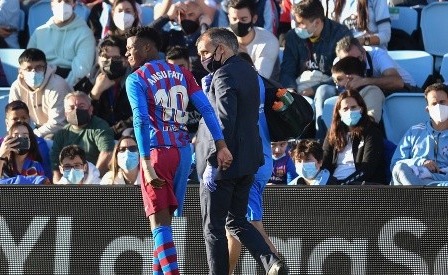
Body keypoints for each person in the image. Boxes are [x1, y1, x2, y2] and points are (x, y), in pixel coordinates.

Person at [124, 26, 231, 274]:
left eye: (131, 48)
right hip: (183, 153)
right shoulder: (182, 72)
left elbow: (140, 119)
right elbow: (206, 109)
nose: (127, 52)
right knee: (165, 225)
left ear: (147, 47)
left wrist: (146, 163)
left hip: (157, 153)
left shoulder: (136, 78)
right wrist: (221, 143)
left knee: (159, 226)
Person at [195, 27, 287, 275]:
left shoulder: (223, 76)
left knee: (213, 228)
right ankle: (272, 262)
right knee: (238, 222)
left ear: (221, 49)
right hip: (249, 161)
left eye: (205, 52)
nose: (202, 58)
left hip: (224, 164)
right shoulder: (249, 71)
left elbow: (225, 120)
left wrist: (214, 160)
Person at [278, 0, 351, 139]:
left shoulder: (341, 34)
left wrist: (315, 88)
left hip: (331, 86)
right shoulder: (292, 36)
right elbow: (287, 70)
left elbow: (345, 73)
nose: (297, 26)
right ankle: (295, 149)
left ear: (317, 22)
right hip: (301, 87)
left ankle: (321, 141)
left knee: (322, 92)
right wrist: (291, 90)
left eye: (301, 23)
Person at [322, 90, 385, 184]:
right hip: (334, 183)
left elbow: (367, 168)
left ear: (361, 109)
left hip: (360, 184)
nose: (350, 111)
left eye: (353, 107)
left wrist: (344, 184)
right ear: (339, 112)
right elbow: (324, 161)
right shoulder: (333, 132)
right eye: (345, 109)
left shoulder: (372, 132)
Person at [27, 0, 96, 86]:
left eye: (67, 1)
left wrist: (60, 88)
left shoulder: (85, 34)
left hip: (69, 86)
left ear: (74, 5)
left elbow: (81, 71)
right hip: (40, 81)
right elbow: (27, 63)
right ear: (52, 5)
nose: (63, 5)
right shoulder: (39, 32)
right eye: (59, 1)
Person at [50, 91, 114, 183]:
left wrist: (92, 179)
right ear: (65, 113)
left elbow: (107, 153)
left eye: (81, 106)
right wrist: (59, 185)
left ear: (90, 109)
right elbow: (55, 162)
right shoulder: (61, 133)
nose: (76, 110)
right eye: (71, 107)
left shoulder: (99, 126)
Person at [391, 83, 448, 185]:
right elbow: (395, 164)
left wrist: (432, 176)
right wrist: (421, 162)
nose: (439, 107)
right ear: (427, 109)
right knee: (399, 168)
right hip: (413, 182)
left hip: (443, 184)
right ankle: (420, 197)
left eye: (442, 102)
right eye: (434, 104)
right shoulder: (414, 132)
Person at [9, 48, 72, 139]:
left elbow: (58, 123)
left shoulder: (58, 86)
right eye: (28, 68)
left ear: (46, 67)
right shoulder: (16, 87)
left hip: (61, 132)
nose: (33, 72)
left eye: (38, 67)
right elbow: (14, 117)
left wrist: (31, 135)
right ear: (20, 71)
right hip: (36, 130)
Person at [150, 0, 213, 84]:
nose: (186, 18)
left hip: (200, 87)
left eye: (191, 15)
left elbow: (209, 46)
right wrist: (167, 17)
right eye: (182, 15)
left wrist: (204, 25)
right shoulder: (172, 36)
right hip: (173, 86)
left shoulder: (205, 34)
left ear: (200, 17)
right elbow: (146, 36)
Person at [0, 100, 52, 180]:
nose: (20, 121)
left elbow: (47, 178)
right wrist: (1, 155)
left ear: (29, 119)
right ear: (7, 123)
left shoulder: (39, 144)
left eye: (24, 118)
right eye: (15, 119)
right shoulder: (0, 144)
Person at [87, 35, 133, 139]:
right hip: (97, 136)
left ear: (126, 61)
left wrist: (114, 130)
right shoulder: (90, 80)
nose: (110, 61)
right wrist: (95, 93)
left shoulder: (136, 80)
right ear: (99, 59)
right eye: (106, 57)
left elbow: (140, 115)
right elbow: (81, 117)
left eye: (116, 58)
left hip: (126, 135)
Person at [335, 36, 416, 93]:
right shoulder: (337, 65)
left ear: (363, 53)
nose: (352, 64)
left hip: (408, 92)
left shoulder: (378, 55)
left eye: (356, 59)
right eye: (347, 62)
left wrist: (364, 81)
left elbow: (398, 82)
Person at [227, 0, 280, 80]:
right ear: (229, 18)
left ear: (254, 19)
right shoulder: (223, 38)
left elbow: (260, 80)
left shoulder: (268, 41)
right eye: (234, 19)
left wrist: (245, 58)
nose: (238, 24)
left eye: (243, 19)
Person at [331, 56, 385, 123]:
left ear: (352, 78)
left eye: (339, 79)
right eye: (335, 81)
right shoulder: (343, 96)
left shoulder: (372, 91)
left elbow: (372, 119)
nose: (337, 84)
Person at [322, 0, 391, 50]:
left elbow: (386, 35)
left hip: (372, 51)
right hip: (344, 53)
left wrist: (361, 41)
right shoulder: (331, 2)